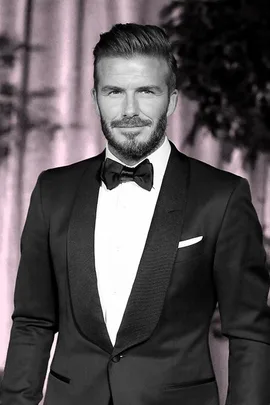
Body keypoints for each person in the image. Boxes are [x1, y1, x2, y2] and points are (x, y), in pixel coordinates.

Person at [1, 23, 270, 405]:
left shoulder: (222, 198)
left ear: (172, 100)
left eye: (146, 91)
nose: (130, 111)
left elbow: (250, 333)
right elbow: (33, 321)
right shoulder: (52, 191)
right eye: (115, 92)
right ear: (95, 97)